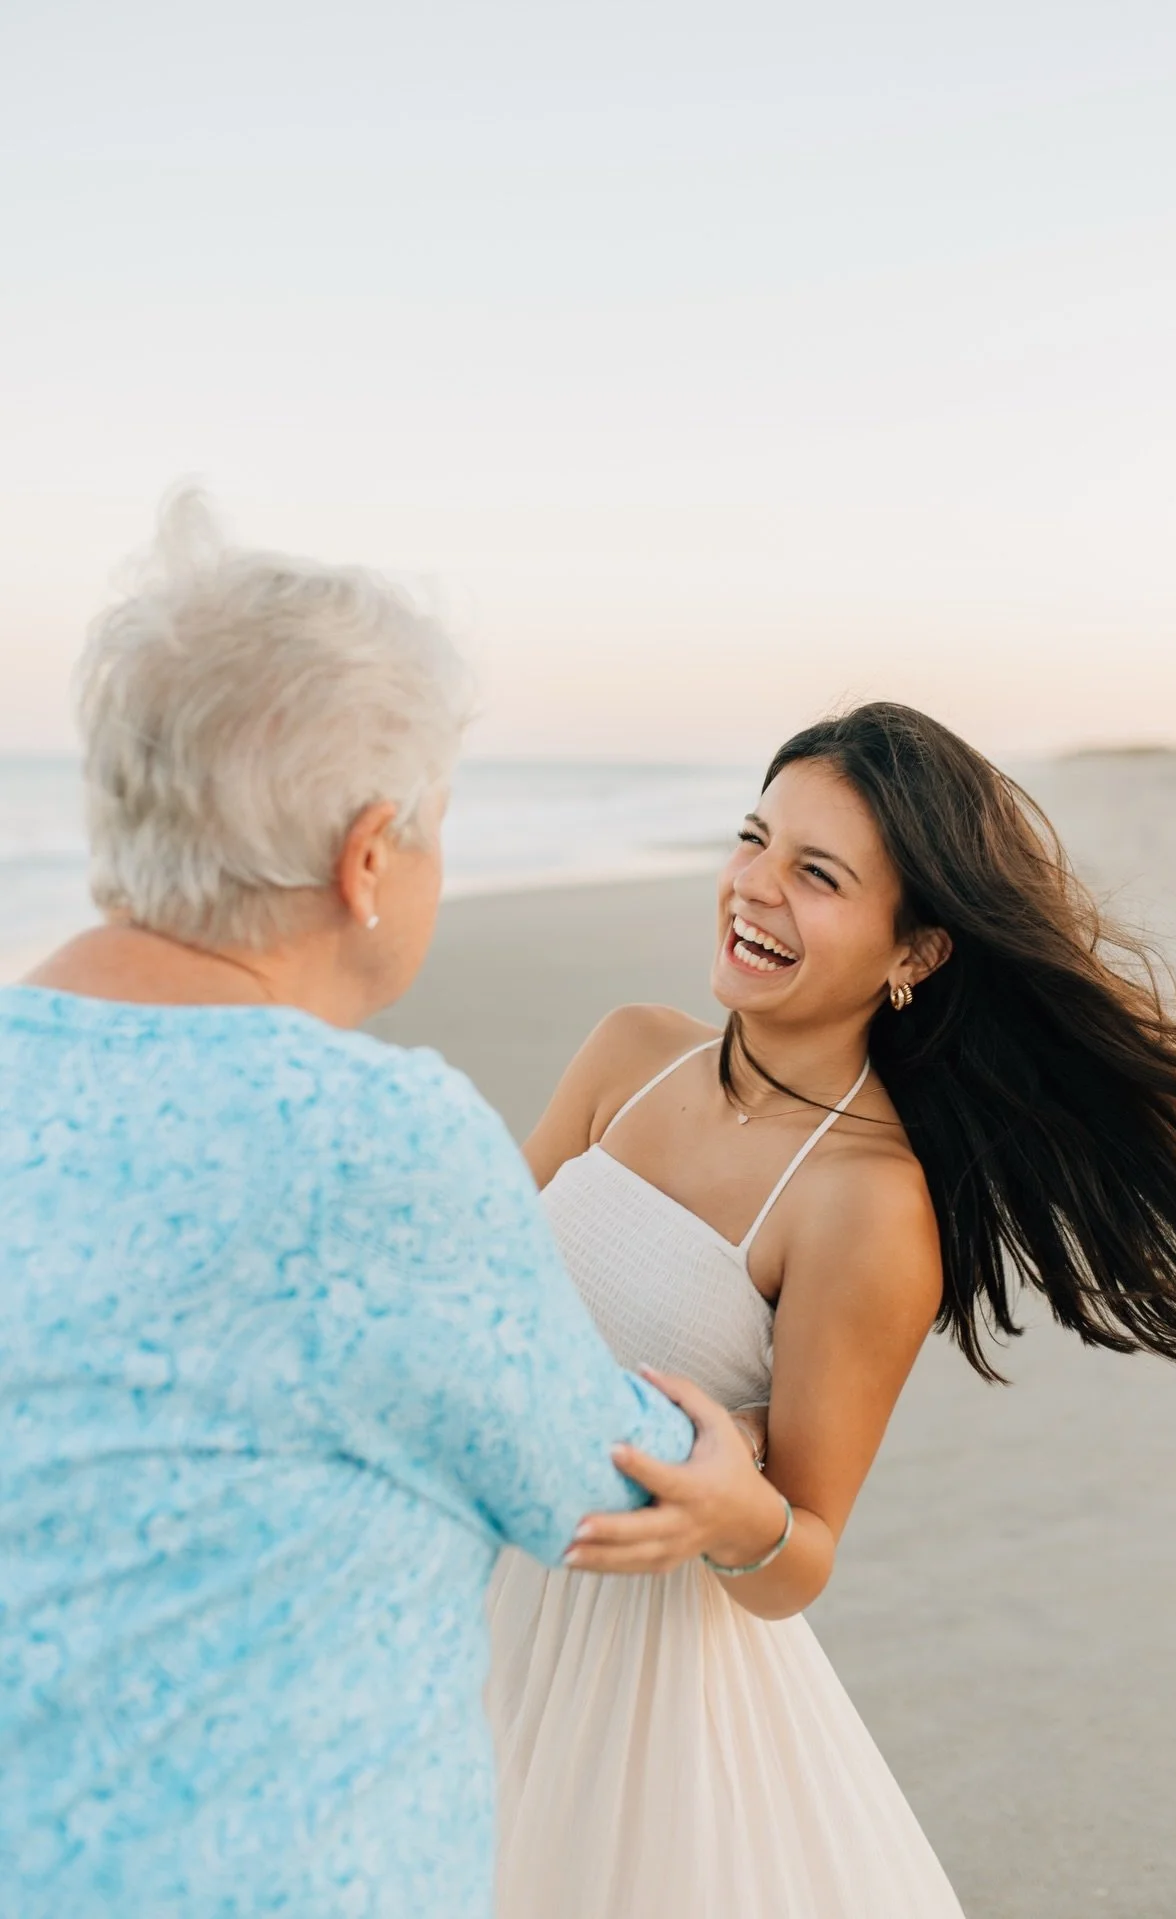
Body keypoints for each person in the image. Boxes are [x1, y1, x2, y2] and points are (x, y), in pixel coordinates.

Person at [0, 494, 765, 1918]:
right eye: (437, 828)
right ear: (367, 857)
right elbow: (599, 1479)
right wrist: (732, 1460)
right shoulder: (375, 1140)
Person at [487, 701, 1176, 1918]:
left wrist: (734, 1508)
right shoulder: (627, 1053)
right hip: (470, 1578)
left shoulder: (866, 1202)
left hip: (627, 1672)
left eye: (819, 873)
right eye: (755, 837)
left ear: (916, 954)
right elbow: (475, 1294)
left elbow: (798, 1555)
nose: (755, 886)